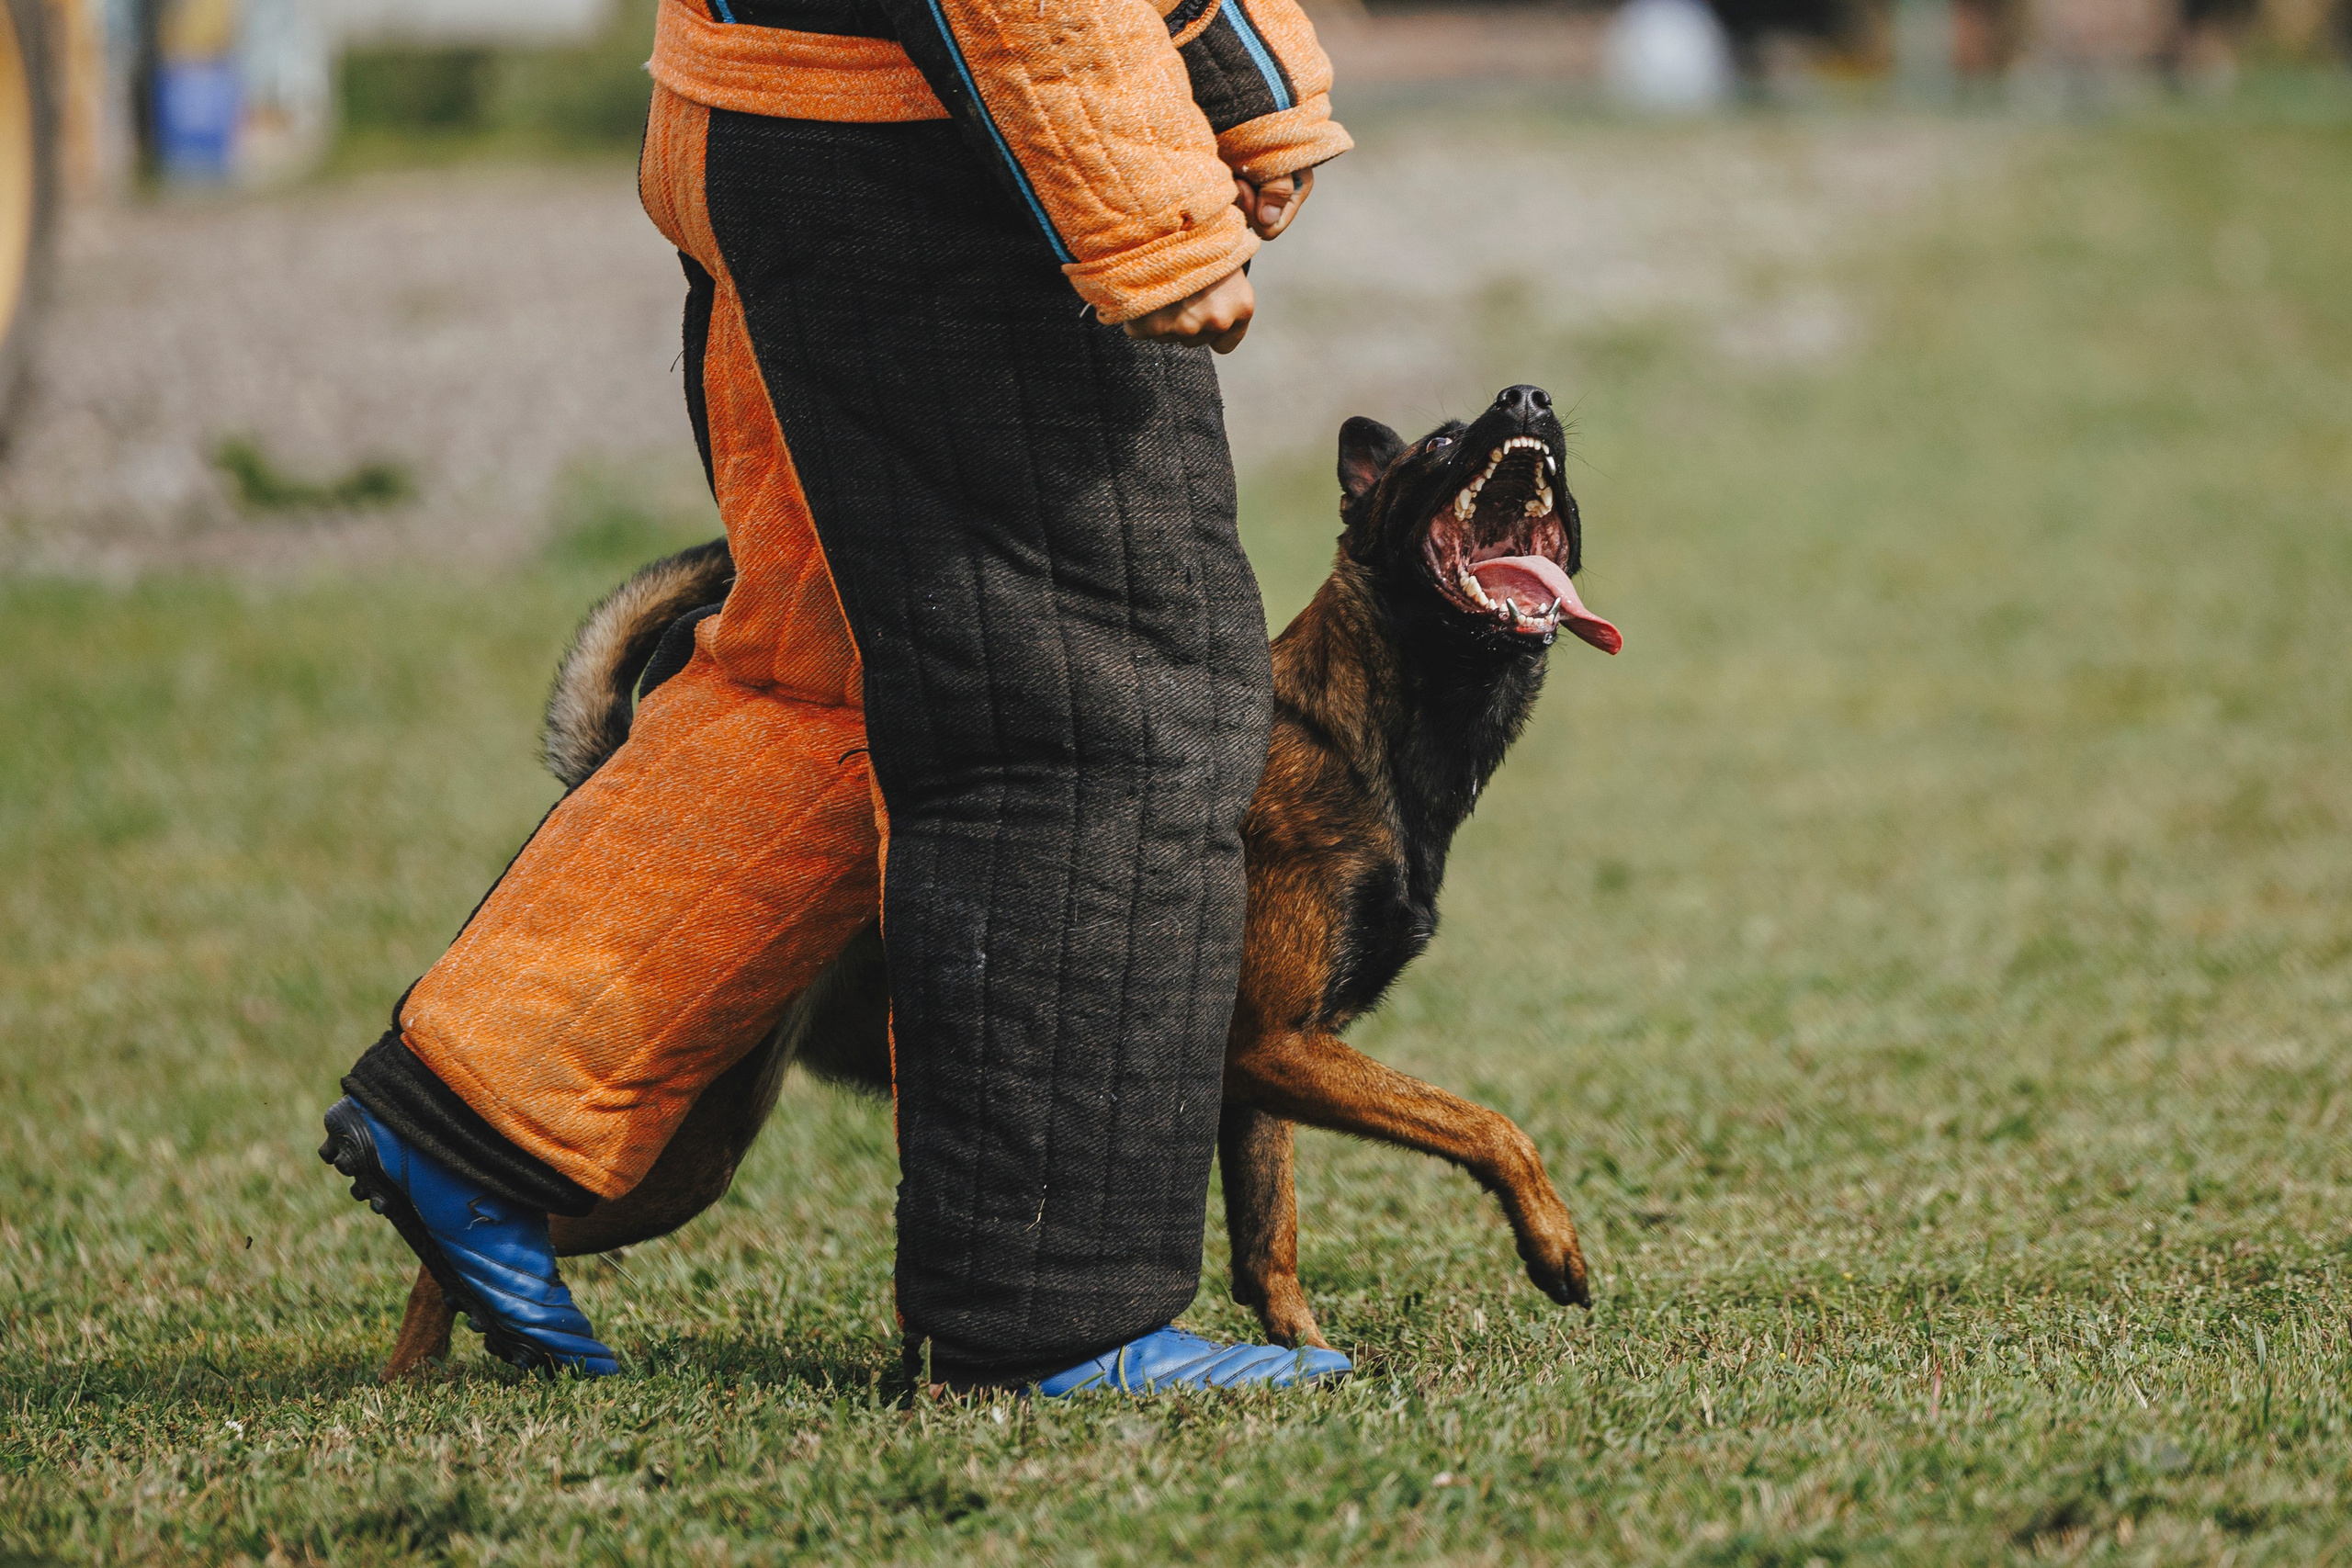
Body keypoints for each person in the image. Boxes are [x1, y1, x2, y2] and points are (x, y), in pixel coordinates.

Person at [319, 0, 1353, 1395]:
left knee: (835, 668)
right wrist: (1145, 199)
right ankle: (1057, 1318)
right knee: (1105, 691)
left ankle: (479, 1105)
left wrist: (1242, 75)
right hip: (935, 154)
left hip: (799, 112)